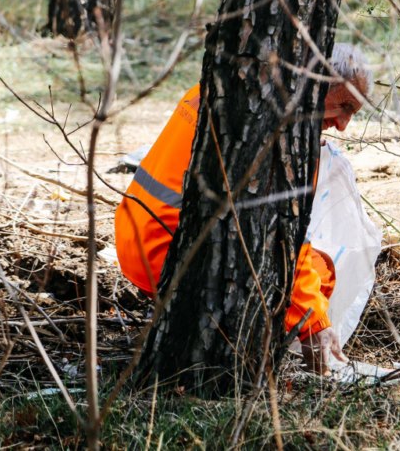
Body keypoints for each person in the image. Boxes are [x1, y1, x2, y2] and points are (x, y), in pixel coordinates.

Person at [114, 44, 372, 375]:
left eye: (354, 112)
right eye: (344, 106)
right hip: (167, 255)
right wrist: (314, 323)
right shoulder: (277, 132)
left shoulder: (216, 87)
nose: (344, 125)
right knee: (319, 271)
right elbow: (285, 243)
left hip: (134, 238)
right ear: (317, 83)